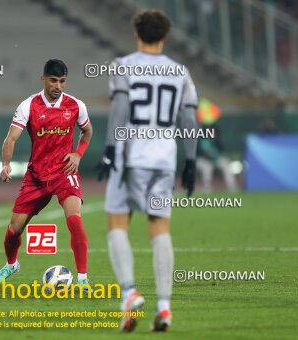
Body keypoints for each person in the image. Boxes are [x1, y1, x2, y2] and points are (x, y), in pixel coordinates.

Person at [97, 10, 198, 332]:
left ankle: (129, 293)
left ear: (136, 34)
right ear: (166, 36)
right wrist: (191, 161)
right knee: (160, 229)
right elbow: (189, 118)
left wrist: (111, 148)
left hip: (132, 157)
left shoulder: (124, 65)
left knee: (117, 223)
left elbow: (122, 107)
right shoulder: (180, 71)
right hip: (164, 161)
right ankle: (165, 307)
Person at [0, 59, 94, 292]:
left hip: (64, 173)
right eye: (54, 81)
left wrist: (77, 154)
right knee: (13, 230)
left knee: (74, 218)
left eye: (62, 81)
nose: (58, 86)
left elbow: (87, 132)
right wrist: (6, 164)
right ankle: (11, 265)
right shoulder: (29, 106)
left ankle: (83, 278)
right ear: (43, 79)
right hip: (36, 176)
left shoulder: (76, 106)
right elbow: (11, 138)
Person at [197, 123, 238, 192]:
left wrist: (215, 142)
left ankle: (232, 186)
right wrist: (206, 155)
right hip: (203, 160)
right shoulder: (201, 140)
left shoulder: (217, 141)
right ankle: (207, 187)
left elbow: (221, 150)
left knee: (226, 164)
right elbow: (198, 153)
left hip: (216, 160)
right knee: (207, 167)